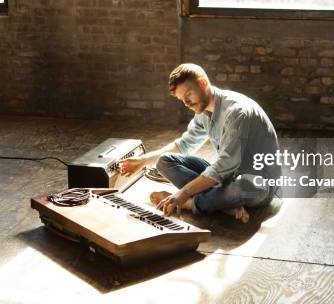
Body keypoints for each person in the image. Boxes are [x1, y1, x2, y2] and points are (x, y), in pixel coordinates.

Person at [119, 63, 280, 223]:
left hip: (259, 185)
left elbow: (226, 165)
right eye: (182, 99)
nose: (187, 103)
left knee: (241, 187)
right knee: (165, 161)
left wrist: (183, 194)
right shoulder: (203, 111)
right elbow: (184, 145)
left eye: (188, 95)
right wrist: (142, 161)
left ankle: (193, 204)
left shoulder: (237, 112)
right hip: (228, 176)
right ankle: (223, 205)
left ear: (203, 83)